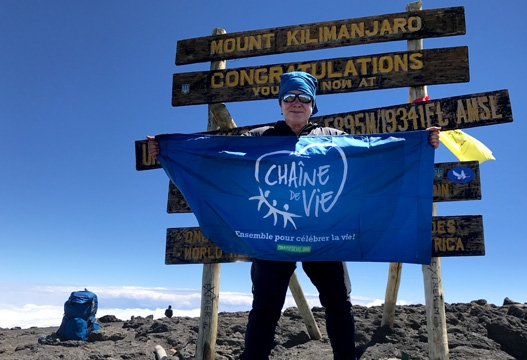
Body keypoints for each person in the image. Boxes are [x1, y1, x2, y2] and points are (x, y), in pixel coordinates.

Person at [148, 71, 440, 360]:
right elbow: (221, 160)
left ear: (313, 105)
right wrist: (169, 149)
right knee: (265, 306)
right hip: (273, 240)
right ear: (280, 103)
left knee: (338, 303)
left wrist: (419, 144)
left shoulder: (333, 138)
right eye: (290, 97)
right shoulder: (259, 138)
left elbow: (371, 158)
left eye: (304, 98)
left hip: (326, 239)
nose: (296, 103)